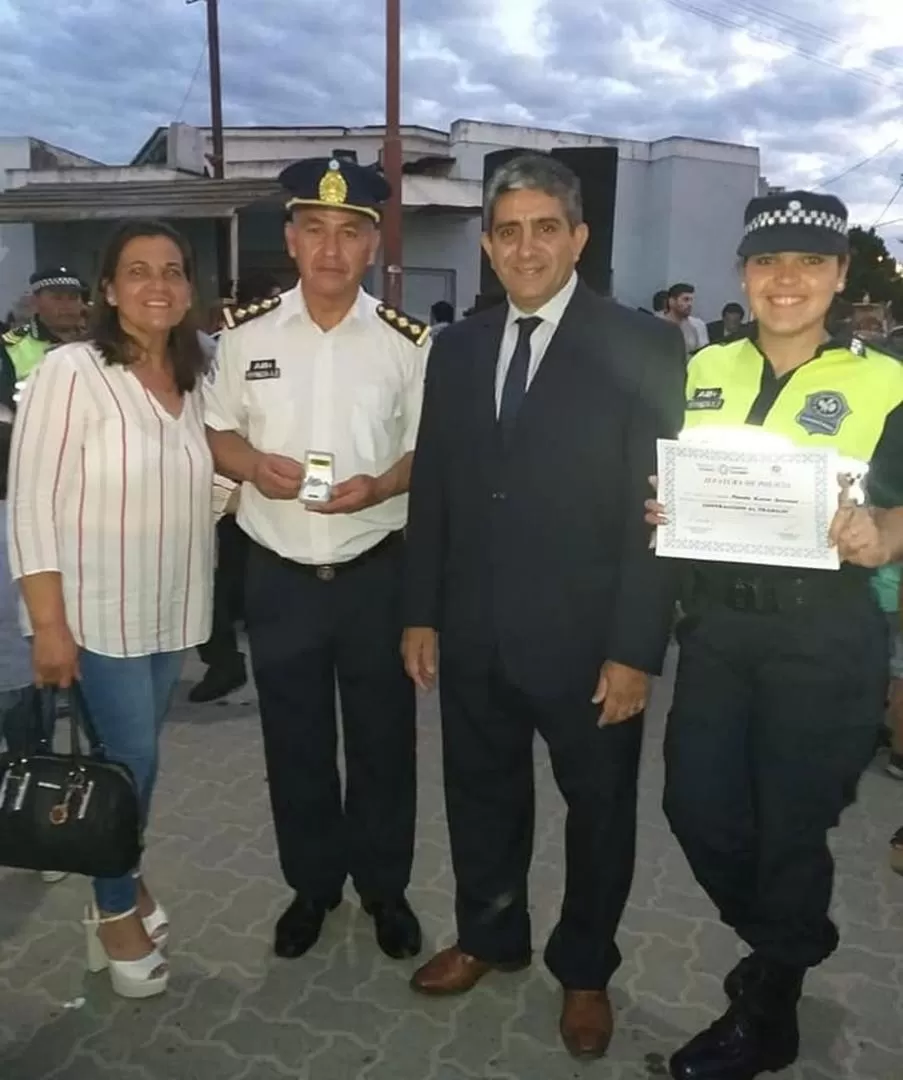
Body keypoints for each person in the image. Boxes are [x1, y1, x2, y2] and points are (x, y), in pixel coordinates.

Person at [402, 152, 685, 1060]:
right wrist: (420, 612)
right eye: (508, 231)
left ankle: (586, 970)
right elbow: (436, 489)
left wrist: (636, 648)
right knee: (480, 799)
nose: (526, 248)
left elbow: (659, 511)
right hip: (476, 634)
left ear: (578, 237)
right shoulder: (455, 348)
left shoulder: (640, 343)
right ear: (487, 245)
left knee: (597, 812)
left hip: (589, 644)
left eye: (545, 228)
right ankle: (490, 935)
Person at [645, 189, 903, 1080]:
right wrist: (659, 506)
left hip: (823, 635)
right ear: (743, 274)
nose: (784, 280)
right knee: (694, 806)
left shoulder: (887, 379)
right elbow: (662, 475)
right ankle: (790, 937)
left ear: (838, 275)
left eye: (806, 263)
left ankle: (768, 1011)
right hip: (717, 628)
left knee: (790, 828)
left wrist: (888, 532)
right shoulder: (698, 367)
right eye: (765, 262)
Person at [203, 156, 428, 963]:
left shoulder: (408, 346)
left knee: (382, 745)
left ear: (371, 246)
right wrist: (250, 463)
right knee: (292, 744)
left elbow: (424, 452)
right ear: (292, 239)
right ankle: (312, 887)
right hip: (280, 576)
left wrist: (377, 488)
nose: (332, 250)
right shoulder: (244, 338)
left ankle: (383, 889)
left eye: (351, 233)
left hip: (374, 571)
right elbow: (218, 432)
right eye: (317, 231)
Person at [8, 220, 216, 1000]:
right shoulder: (72, 371)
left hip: (171, 608)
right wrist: (49, 624)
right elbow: (32, 504)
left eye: (171, 269)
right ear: (107, 289)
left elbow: (201, 476)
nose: (157, 284)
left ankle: (119, 882)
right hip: (97, 615)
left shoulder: (193, 375)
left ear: (189, 288)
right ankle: (112, 907)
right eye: (137, 270)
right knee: (131, 766)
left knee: (133, 762)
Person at [0, 267, 86, 409]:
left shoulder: (95, 341)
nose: (67, 306)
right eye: (57, 298)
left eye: (73, 298)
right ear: (35, 302)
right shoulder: (11, 345)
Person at [663, 283, 709, 354]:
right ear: (671, 301)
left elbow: (703, 353)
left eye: (691, 300)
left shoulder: (698, 325)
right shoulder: (658, 324)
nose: (690, 304)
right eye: (686, 299)